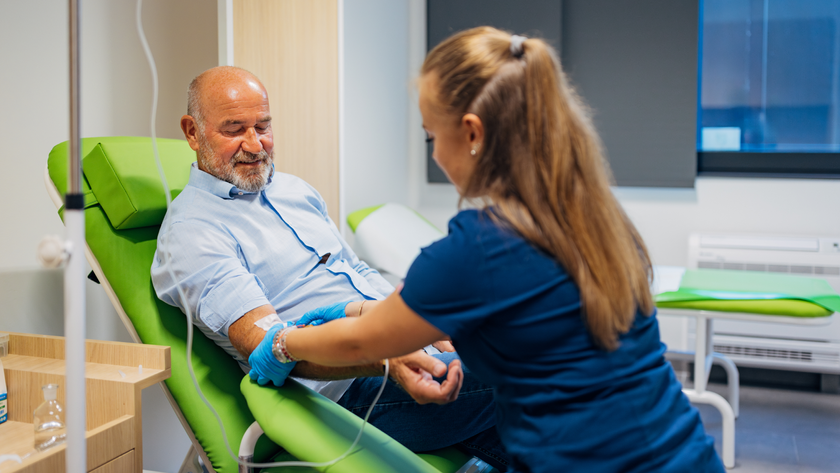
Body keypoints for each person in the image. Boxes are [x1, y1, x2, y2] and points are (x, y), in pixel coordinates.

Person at [249, 28, 727, 473]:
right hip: (682, 449)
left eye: (432, 136)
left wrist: (283, 343)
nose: (434, 153)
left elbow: (362, 342)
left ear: (473, 133)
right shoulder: (590, 213)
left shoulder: (480, 248)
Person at [150, 66, 509, 470]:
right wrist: (386, 359)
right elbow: (269, 346)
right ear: (192, 131)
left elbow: (355, 271)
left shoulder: (294, 190)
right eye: (235, 129)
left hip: (398, 340)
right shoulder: (192, 233)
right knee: (525, 366)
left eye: (263, 126)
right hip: (347, 390)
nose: (255, 144)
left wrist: (426, 324)